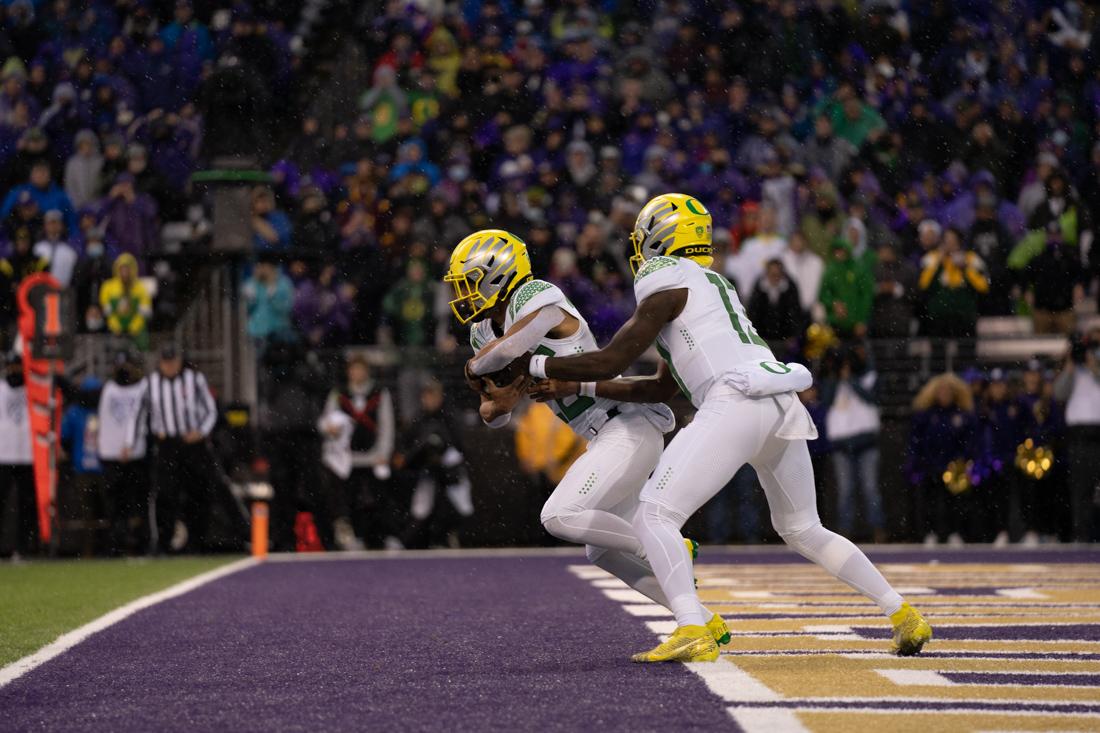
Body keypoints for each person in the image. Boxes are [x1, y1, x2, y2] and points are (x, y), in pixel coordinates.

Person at [523, 194, 929, 662]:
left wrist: (535, 363)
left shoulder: (664, 277)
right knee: (804, 528)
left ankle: (692, 627)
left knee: (655, 513)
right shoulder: (710, 286)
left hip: (734, 400)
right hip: (778, 403)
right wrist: (581, 387)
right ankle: (901, 613)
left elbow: (614, 358)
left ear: (660, 239)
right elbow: (658, 389)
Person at [447, 228, 729, 650]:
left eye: (469, 281)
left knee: (558, 516)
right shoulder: (482, 334)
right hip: (601, 436)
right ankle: (705, 622)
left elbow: (503, 355)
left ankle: (669, 547)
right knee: (600, 552)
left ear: (498, 274)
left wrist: (478, 371)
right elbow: (493, 413)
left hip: (626, 424)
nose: (465, 294)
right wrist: (501, 396)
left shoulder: (535, 295)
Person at [129, 345, 245, 553]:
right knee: (165, 495)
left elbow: (211, 410)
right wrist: (133, 442)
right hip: (167, 445)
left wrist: (201, 431)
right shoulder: (150, 384)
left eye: (173, 361)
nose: (170, 366)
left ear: (180, 361)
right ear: (160, 363)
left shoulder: (194, 380)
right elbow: (138, 414)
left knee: (207, 489)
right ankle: (163, 543)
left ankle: (221, 538)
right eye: (166, 362)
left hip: (194, 444)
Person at [318, 354, 395, 549]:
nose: (357, 373)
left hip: (371, 456)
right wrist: (329, 428)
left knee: (373, 501)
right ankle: (347, 536)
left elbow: (387, 426)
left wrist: (383, 454)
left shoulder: (379, 393)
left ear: (366, 371)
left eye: (360, 369)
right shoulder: (339, 393)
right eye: (353, 369)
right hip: (345, 458)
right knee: (344, 499)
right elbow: (324, 422)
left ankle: (376, 537)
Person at [820, 344, 886, 542]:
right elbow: (826, 401)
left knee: (870, 488)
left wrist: (851, 379)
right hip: (841, 445)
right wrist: (835, 376)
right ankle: (845, 533)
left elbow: (871, 399)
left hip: (866, 442)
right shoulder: (832, 382)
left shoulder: (868, 378)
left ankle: (878, 530)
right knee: (845, 491)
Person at [397, 379, 472, 549]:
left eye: (433, 395)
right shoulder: (418, 418)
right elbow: (406, 445)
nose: (430, 400)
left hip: (451, 472)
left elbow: (460, 446)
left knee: (462, 508)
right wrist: (422, 455)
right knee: (421, 510)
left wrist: (442, 450)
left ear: (440, 397)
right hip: (428, 472)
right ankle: (418, 541)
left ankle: (449, 537)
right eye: (427, 396)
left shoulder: (450, 417)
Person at [98, 351, 150, 555]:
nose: (123, 372)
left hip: (136, 455)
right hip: (111, 455)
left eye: (127, 367)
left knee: (137, 503)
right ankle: (115, 545)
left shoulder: (145, 388)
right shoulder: (108, 389)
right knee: (114, 504)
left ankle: (138, 543)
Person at [1053, 329, 1100, 542]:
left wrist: (1094, 367)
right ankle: (1081, 535)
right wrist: (1070, 365)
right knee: (1081, 489)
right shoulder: (1069, 370)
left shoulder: (1095, 366)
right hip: (1079, 437)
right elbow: (1059, 393)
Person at [0, 352, 35, 557]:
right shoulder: (1, 388)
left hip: (27, 456)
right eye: (11, 367)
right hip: (3, 455)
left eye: (17, 367)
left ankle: (23, 547)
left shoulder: (33, 389)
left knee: (26, 506)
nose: (14, 371)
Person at [99, 253, 152, 350]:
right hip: (114, 331)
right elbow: (107, 312)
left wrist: (134, 327)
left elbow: (144, 312)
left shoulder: (140, 288)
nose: (124, 273)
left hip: (136, 331)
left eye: (127, 269)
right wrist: (115, 326)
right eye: (122, 269)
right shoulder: (108, 287)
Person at [33, 209, 77, 287]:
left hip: (62, 291)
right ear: (45, 226)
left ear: (61, 226)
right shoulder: (37, 248)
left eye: (56, 223)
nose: (53, 226)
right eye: (50, 223)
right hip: (40, 291)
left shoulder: (69, 251)